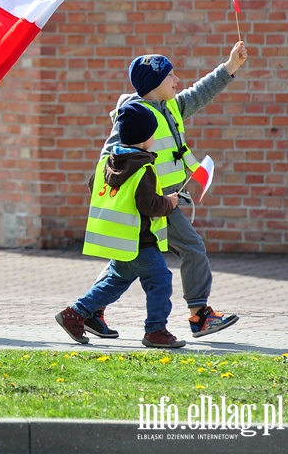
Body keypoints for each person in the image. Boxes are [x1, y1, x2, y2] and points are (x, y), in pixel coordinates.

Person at [88, 42, 248, 340]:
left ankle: (89, 311)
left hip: (166, 199)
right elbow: (110, 158)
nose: (177, 81)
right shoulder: (133, 114)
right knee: (192, 248)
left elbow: (200, 92)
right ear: (153, 84)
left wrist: (230, 67)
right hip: (153, 203)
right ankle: (199, 316)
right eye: (170, 76)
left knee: (125, 259)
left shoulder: (170, 105)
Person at [56, 102, 185, 348]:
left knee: (115, 281)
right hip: (140, 240)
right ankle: (155, 330)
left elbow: (95, 189)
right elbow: (149, 205)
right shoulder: (144, 168)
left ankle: (75, 313)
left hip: (119, 238)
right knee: (160, 280)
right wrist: (169, 203)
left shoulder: (106, 163)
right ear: (147, 137)